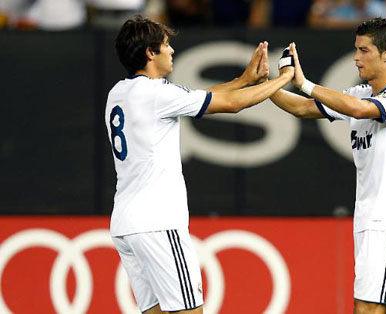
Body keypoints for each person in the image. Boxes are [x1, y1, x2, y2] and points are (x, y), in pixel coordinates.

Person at [105, 15, 293, 314]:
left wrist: (244, 80)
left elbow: (199, 97)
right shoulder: (156, 94)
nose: (171, 51)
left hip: (126, 225)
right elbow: (232, 105)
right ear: (150, 53)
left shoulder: (119, 93)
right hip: (158, 221)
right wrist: (283, 80)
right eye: (166, 45)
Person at [268, 18, 386, 313]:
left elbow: (357, 110)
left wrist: (303, 83)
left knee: (366, 307)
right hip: (371, 219)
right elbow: (302, 108)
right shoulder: (361, 93)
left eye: (364, 50)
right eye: (356, 49)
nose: (356, 57)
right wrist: (267, 84)